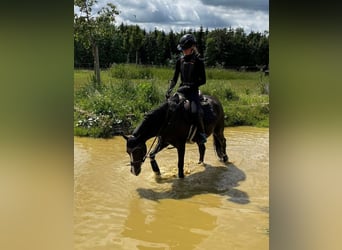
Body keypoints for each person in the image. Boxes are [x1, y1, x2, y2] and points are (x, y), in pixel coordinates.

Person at [166, 33, 207, 144]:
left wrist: (192, 85)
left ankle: (201, 134)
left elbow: (203, 80)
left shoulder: (199, 62)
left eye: (185, 49)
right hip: (181, 90)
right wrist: (169, 90)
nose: (183, 51)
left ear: (192, 48)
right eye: (182, 49)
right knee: (170, 107)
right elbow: (174, 79)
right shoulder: (180, 61)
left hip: (193, 91)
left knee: (195, 110)